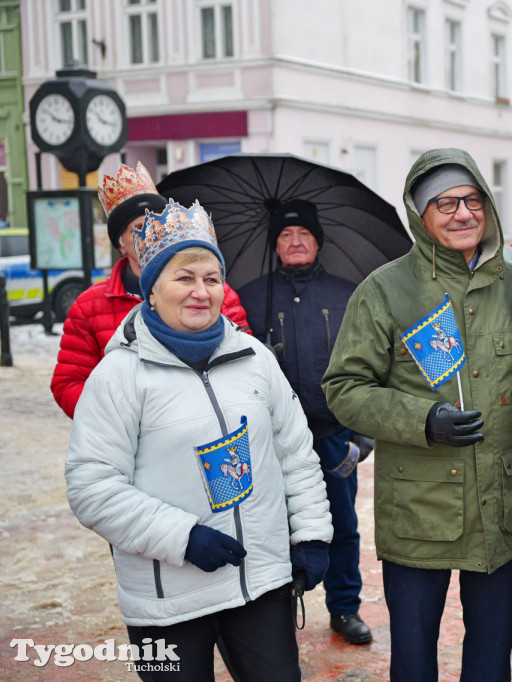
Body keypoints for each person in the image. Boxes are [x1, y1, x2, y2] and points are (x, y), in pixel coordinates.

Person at [65, 199, 333, 680]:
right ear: (152, 290)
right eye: (184, 278)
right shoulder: (118, 375)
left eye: (211, 279)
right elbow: (92, 487)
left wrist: (311, 534)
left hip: (260, 583)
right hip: (166, 598)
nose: (200, 292)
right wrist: (183, 537)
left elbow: (296, 455)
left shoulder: (254, 357)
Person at [321, 149, 512, 681]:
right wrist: (422, 419)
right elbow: (344, 388)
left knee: (491, 655)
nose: (463, 213)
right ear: (421, 216)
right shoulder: (385, 290)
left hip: (497, 501)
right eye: (444, 204)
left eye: (472, 199)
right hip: (420, 505)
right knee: (414, 658)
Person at [236, 199, 372, 645]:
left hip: (334, 437)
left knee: (342, 526)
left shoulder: (348, 293)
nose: (295, 243)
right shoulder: (251, 296)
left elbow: (373, 363)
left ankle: (345, 609)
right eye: (286, 236)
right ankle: (275, 614)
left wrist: (363, 437)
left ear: (318, 242)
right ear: (275, 245)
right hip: (271, 441)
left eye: (304, 236)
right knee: (271, 528)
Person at [51, 162, 250, 419]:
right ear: (121, 244)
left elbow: (244, 358)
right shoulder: (89, 306)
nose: (147, 235)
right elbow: (68, 382)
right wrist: (120, 417)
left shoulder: (213, 292)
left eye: (153, 225)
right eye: (136, 229)